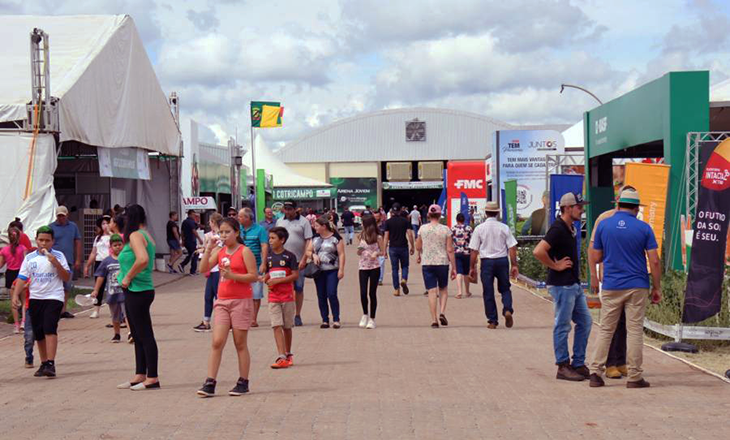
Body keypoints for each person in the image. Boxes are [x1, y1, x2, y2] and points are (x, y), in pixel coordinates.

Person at [588, 188, 662, 389]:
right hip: (637, 285)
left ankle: (595, 372)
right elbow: (654, 261)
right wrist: (657, 287)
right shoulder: (644, 228)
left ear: (618, 204)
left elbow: (595, 257)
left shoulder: (604, 225)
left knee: (606, 329)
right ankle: (635, 376)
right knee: (634, 330)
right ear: (637, 208)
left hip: (612, 285)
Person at [533, 192, 592, 382]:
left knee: (585, 322)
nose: (581, 210)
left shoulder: (570, 227)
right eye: (579, 207)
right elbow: (538, 251)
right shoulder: (558, 228)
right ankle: (562, 365)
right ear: (568, 208)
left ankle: (578, 362)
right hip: (562, 285)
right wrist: (555, 265)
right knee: (563, 325)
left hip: (572, 284)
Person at [197, 217, 258, 397]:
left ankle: (243, 381)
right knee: (217, 342)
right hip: (222, 301)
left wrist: (233, 276)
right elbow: (203, 269)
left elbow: (253, 276)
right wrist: (208, 250)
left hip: (241, 300)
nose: (223, 235)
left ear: (236, 233)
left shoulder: (244, 251)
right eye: (221, 232)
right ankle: (210, 381)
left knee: (240, 342)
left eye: (227, 232)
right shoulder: (221, 251)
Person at [587, 186, 636, 379]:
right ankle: (609, 364)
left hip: (630, 278)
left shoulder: (634, 219)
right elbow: (593, 249)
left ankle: (621, 360)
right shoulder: (604, 219)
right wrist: (592, 274)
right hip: (610, 277)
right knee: (611, 323)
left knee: (625, 322)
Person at [12, 226, 71, 378]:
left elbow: (66, 277)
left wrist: (55, 263)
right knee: (38, 332)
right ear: (36, 240)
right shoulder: (30, 258)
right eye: (41, 240)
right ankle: (44, 362)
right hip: (36, 298)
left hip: (54, 297)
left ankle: (51, 363)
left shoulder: (59, 256)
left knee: (49, 328)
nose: (44, 243)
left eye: (47, 240)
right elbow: (22, 278)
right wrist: (15, 296)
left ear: (53, 241)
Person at [116, 204, 160, 391]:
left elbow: (142, 259)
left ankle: (153, 377)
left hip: (138, 289)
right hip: (138, 289)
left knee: (144, 334)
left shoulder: (136, 235)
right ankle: (140, 373)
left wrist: (127, 276)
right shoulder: (145, 234)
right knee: (137, 334)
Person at [468, 202, 519, 329]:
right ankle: (507, 309)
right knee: (505, 288)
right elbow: (512, 247)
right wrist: (514, 265)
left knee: (488, 291)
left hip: (487, 263)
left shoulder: (479, 228)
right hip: (502, 261)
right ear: (497, 213)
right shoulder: (504, 227)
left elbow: (474, 250)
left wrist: (471, 267)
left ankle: (492, 320)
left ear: (486, 213)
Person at [263, 227, 298, 368]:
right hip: (273, 297)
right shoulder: (269, 257)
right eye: (269, 238)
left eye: (273, 238)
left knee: (287, 326)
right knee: (276, 325)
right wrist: (265, 279)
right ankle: (281, 356)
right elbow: (268, 273)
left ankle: (288, 353)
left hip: (287, 297)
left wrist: (278, 281)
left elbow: (295, 275)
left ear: (282, 240)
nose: (270, 241)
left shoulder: (290, 256)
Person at [416, 205, 457, 328]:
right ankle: (442, 312)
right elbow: (450, 249)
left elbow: (418, 246)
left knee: (431, 291)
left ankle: (434, 319)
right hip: (442, 262)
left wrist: (419, 253)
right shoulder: (446, 230)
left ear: (428, 215)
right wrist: (454, 267)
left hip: (427, 262)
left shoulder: (422, 229)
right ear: (440, 215)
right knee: (443, 289)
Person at [276, 201, 313, 327]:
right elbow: (276, 239)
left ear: (295, 209)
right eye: (285, 209)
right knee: (284, 288)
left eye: (290, 209)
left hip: (298, 260)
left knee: (298, 288)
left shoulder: (304, 222)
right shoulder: (280, 221)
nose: (287, 211)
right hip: (283, 260)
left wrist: (305, 258)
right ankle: (287, 315)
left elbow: (308, 240)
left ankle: (297, 314)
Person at [307, 216, 345, 329]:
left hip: (332, 270)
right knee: (321, 295)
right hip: (318, 271)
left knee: (332, 293)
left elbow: (341, 254)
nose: (314, 227)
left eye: (317, 226)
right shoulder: (315, 238)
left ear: (324, 226)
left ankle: (336, 319)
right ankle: (325, 319)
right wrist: (313, 255)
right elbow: (307, 251)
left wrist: (341, 269)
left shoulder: (336, 238)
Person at [91, 234, 125, 342]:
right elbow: (100, 276)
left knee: (128, 314)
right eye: (115, 245)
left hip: (125, 292)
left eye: (120, 245)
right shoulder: (107, 261)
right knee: (115, 316)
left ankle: (131, 333)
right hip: (112, 293)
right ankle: (117, 334)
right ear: (110, 247)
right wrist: (96, 290)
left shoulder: (126, 259)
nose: (118, 247)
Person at [238, 208, 269, 328]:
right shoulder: (237, 230)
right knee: (241, 293)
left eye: (241, 217)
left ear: (247, 218)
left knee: (255, 293)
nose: (238, 219)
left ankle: (253, 318)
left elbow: (264, 245)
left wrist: (263, 263)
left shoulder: (259, 229)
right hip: (240, 266)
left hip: (255, 265)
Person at [49, 205, 81, 319]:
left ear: (67, 215)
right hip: (54, 260)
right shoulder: (51, 227)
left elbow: (77, 242)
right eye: (59, 216)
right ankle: (54, 309)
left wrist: (78, 259)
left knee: (66, 286)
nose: (61, 218)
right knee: (54, 285)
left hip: (68, 260)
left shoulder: (73, 226)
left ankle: (63, 309)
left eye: (63, 216)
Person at [193, 213, 224, 332]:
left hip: (218, 270)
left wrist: (206, 249)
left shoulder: (221, 236)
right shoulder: (210, 235)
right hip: (211, 270)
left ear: (213, 222)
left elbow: (218, 250)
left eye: (210, 222)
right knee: (208, 297)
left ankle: (225, 321)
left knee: (219, 297)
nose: (209, 224)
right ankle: (206, 321)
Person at [357, 215, 385, 329]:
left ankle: (372, 318)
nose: (361, 225)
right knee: (363, 292)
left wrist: (376, 253)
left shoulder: (378, 237)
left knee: (372, 293)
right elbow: (359, 250)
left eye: (363, 223)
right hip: (363, 266)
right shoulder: (361, 235)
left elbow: (383, 251)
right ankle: (365, 314)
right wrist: (359, 251)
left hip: (374, 267)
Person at [384, 203, 415, 296]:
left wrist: (384, 249)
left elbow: (386, 237)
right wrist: (412, 246)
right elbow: (409, 234)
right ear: (400, 210)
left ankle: (396, 289)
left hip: (393, 247)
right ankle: (404, 279)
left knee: (394, 269)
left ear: (392, 211)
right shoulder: (405, 221)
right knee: (405, 266)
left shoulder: (388, 222)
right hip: (403, 246)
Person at [84, 216, 111, 319]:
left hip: (110, 262)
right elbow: (93, 252)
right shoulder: (98, 238)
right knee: (98, 287)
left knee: (111, 287)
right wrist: (87, 265)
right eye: (103, 224)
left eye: (107, 223)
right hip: (99, 263)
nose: (105, 226)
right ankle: (96, 310)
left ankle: (113, 309)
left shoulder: (113, 236)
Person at [1, 227, 28, 333]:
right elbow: (26, 264)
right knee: (24, 300)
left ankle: (16, 325)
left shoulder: (4, 250)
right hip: (21, 275)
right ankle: (24, 322)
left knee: (14, 301)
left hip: (10, 275)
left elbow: (1, 264)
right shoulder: (23, 248)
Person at [451, 213, 473, 299]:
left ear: (456, 220)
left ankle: (459, 291)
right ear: (464, 220)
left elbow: (451, 241)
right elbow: (472, 240)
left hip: (457, 252)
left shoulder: (453, 229)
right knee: (466, 273)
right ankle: (467, 291)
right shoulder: (468, 228)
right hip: (467, 252)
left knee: (459, 272)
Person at [179, 210, 203, 275]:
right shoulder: (190, 222)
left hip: (187, 240)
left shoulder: (184, 222)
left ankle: (183, 265)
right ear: (189, 214)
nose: (193, 216)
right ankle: (192, 270)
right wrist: (200, 239)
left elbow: (182, 232)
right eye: (193, 215)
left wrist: (183, 240)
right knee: (195, 254)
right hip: (191, 241)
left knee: (191, 254)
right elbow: (194, 231)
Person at [374, 210, 387, 286]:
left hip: (381, 246)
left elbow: (386, 235)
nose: (376, 218)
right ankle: (375, 277)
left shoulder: (384, 224)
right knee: (374, 263)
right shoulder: (371, 225)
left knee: (381, 263)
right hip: (373, 246)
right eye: (375, 217)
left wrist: (385, 247)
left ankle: (380, 279)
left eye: (377, 216)